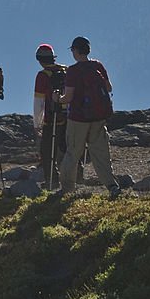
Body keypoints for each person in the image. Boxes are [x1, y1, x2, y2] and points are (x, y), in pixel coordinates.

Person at [53, 36, 121, 198]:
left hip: (78, 119)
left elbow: (68, 97)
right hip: (98, 117)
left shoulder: (73, 71)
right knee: (101, 153)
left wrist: (57, 99)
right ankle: (111, 185)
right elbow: (109, 87)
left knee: (73, 153)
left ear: (76, 51)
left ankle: (67, 188)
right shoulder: (97, 66)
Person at [33, 42, 68, 188]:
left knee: (47, 152)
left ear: (39, 59)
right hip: (70, 116)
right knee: (68, 148)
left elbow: (39, 102)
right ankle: (76, 177)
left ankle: (52, 181)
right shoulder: (66, 70)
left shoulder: (42, 76)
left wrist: (37, 124)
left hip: (51, 118)